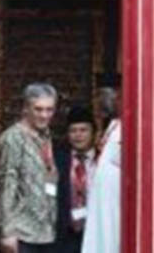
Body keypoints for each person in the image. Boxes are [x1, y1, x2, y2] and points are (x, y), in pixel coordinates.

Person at [0, 83, 60, 253]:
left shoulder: (45, 135)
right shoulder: (14, 138)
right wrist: (7, 232)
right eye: (38, 109)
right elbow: (7, 184)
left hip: (46, 232)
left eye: (49, 110)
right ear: (26, 108)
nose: (44, 115)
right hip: (22, 232)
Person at [82, 72, 122, 253]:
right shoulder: (112, 125)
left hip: (115, 202)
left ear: (117, 94)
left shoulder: (129, 125)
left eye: (101, 95)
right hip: (100, 201)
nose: (98, 101)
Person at [55, 105, 98, 253]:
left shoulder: (103, 161)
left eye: (83, 130)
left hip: (97, 232)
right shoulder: (57, 160)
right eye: (73, 131)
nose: (78, 135)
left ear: (93, 132)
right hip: (64, 238)